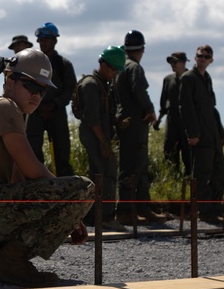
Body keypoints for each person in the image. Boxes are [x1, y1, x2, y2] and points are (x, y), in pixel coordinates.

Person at [0, 48, 94, 287]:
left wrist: (70, 218)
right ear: (9, 81)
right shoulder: (4, 107)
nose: (37, 95)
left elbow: (23, 182)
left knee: (52, 195)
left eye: (43, 90)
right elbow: (34, 170)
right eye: (32, 87)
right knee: (84, 188)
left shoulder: (4, 110)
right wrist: (72, 205)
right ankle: (10, 260)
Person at [75, 46, 125, 227]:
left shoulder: (103, 84)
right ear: (103, 65)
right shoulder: (91, 85)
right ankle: (105, 217)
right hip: (94, 134)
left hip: (100, 134)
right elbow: (92, 118)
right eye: (113, 69)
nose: (115, 73)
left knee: (100, 173)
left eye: (117, 70)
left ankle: (95, 216)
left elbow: (105, 112)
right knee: (105, 172)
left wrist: (117, 122)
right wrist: (103, 141)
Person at [114, 30, 160, 222]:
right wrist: (150, 109)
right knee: (134, 166)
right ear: (141, 49)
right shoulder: (135, 68)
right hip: (135, 123)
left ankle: (141, 208)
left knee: (135, 165)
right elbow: (139, 91)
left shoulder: (119, 66)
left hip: (124, 122)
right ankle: (127, 210)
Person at [178, 44, 224, 218]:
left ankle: (216, 208)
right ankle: (205, 211)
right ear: (195, 57)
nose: (202, 58)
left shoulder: (207, 78)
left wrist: (220, 133)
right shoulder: (188, 78)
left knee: (219, 172)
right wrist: (192, 133)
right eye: (199, 55)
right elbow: (186, 107)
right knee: (202, 173)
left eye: (206, 57)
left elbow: (212, 108)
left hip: (212, 132)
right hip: (199, 134)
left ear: (211, 60)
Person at [25, 23, 76, 177]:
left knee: (62, 153)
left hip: (57, 113)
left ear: (55, 40)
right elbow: (25, 86)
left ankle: (64, 186)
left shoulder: (64, 65)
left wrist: (54, 104)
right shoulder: (31, 62)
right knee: (31, 150)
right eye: (40, 39)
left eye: (46, 39)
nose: (43, 42)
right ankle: (35, 184)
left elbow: (70, 89)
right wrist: (39, 105)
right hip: (34, 111)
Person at [156, 52, 191, 175]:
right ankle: (172, 181)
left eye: (175, 62)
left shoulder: (192, 78)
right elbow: (163, 103)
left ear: (183, 62)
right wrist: (158, 120)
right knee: (169, 152)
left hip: (188, 123)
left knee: (189, 154)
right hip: (172, 122)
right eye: (171, 62)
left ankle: (189, 183)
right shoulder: (168, 79)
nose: (172, 64)